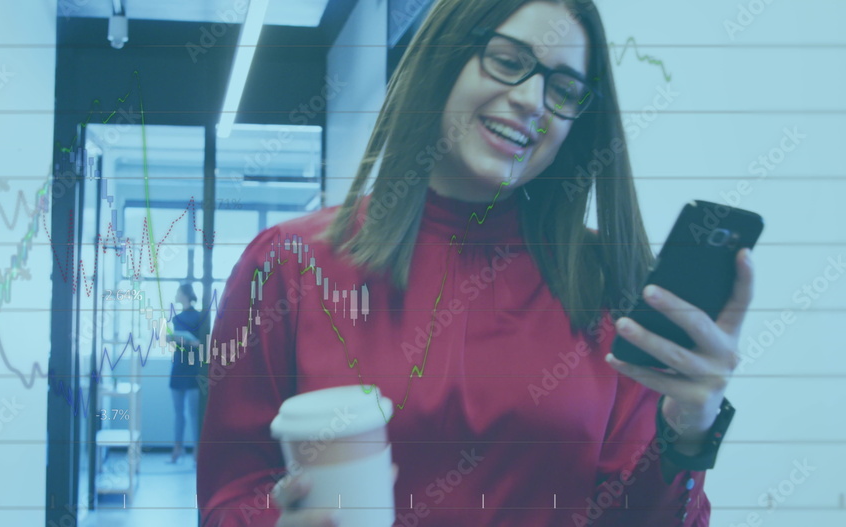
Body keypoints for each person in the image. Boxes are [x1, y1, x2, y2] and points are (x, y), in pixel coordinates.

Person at [198, 0, 753, 525]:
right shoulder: (289, 262)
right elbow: (225, 505)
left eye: (563, 89)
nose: (533, 100)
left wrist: (688, 429)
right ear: (444, 60)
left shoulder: (604, 277)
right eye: (509, 62)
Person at [167, 283, 207, 464]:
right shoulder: (176, 318)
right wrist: (173, 339)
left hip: (193, 369)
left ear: (184, 294)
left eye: (177, 292)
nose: (175, 295)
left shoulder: (200, 317)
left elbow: (203, 343)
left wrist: (191, 343)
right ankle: (177, 449)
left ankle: (197, 453)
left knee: (193, 414)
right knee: (178, 413)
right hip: (178, 367)